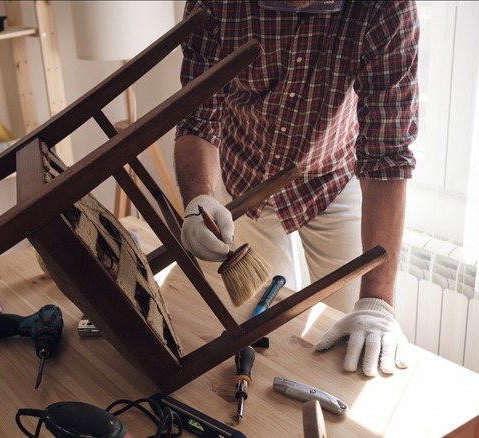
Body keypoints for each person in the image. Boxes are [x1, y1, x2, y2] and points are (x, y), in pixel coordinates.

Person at [175, 0, 419, 377]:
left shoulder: (386, 7)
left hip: (332, 176)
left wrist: (377, 303)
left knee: (351, 334)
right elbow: (197, 116)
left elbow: (387, 155)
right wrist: (199, 199)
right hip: (246, 177)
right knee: (262, 328)